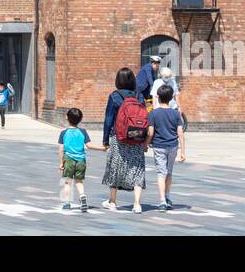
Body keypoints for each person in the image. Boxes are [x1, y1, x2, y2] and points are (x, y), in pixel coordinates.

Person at [100, 67, 147, 213]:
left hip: (118, 137)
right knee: (137, 168)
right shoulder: (139, 96)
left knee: (115, 168)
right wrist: (146, 140)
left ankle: (113, 201)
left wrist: (105, 139)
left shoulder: (114, 96)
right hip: (137, 137)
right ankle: (137, 204)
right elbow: (145, 118)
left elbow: (108, 119)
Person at [147, 84, 186, 211]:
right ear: (171, 98)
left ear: (158, 98)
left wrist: (146, 144)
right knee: (169, 172)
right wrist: (183, 152)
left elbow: (151, 132)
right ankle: (168, 197)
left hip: (159, 146)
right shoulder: (175, 114)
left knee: (160, 173)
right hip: (173, 146)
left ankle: (162, 200)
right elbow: (180, 133)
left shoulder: (153, 113)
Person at [57, 107, 102, 213]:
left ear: (67, 117)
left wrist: (61, 163)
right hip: (81, 160)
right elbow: (89, 146)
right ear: (80, 119)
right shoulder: (83, 131)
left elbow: (61, 149)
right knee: (79, 181)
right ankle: (82, 196)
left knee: (67, 182)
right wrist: (102, 148)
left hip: (69, 159)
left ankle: (67, 203)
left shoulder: (64, 133)